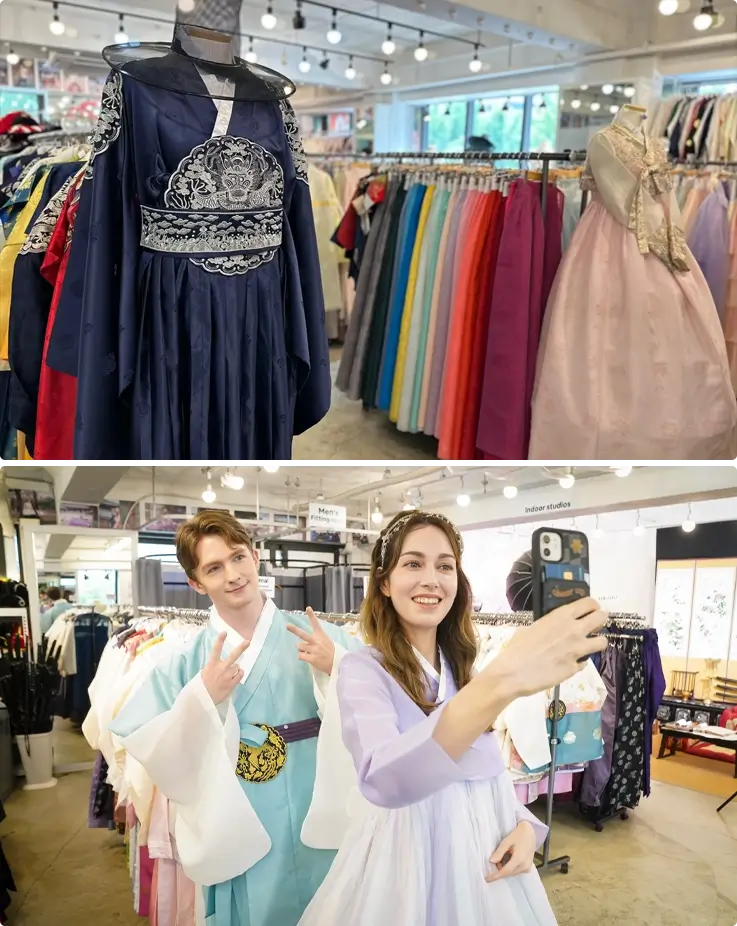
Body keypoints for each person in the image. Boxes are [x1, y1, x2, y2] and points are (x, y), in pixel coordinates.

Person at [299, 510, 608, 926]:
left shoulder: (464, 670)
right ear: (384, 582)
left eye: (445, 566)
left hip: (485, 862)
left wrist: (525, 827)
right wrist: (502, 680)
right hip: (408, 863)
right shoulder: (363, 669)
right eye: (413, 563)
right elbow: (382, 777)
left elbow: (487, 776)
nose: (431, 579)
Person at [107, 510, 361, 926]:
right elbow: (138, 734)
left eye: (238, 557)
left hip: (319, 805)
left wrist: (341, 668)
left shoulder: (318, 636)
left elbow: (390, 701)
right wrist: (201, 699)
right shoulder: (186, 662)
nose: (233, 575)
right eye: (214, 567)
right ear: (195, 582)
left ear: (256, 557)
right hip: (240, 817)